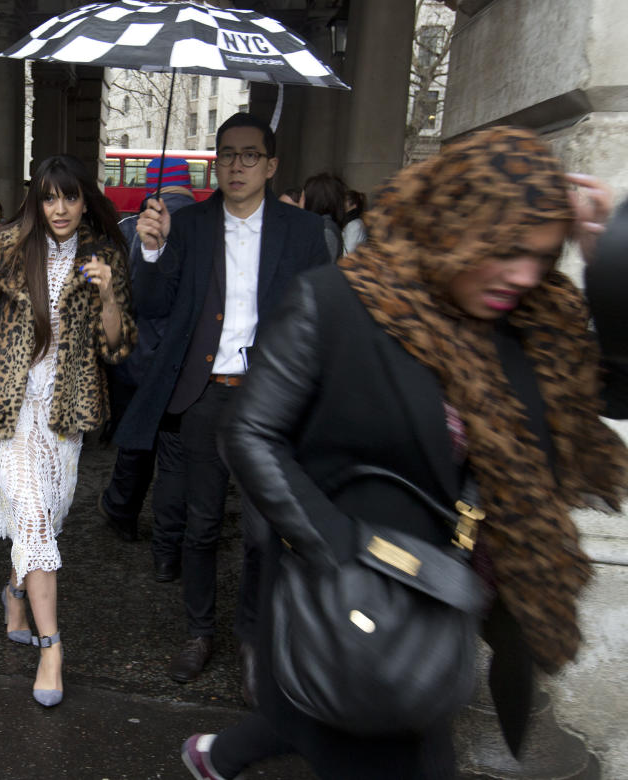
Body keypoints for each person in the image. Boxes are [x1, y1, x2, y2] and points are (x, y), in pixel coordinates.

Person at [180, 127, 628, 779]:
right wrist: (339, 550)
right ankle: (224, 753)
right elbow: (250, 435)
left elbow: (606, 392)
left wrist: (608, 263)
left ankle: (219, 756)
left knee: (345, 727)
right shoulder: (336, 304)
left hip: (437, 605)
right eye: (506, 251)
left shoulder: (524, 326)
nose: (524, 274)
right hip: (342, 601)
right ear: (457, 225)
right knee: (375, 742)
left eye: (539, 256)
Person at [113, 113, 330, 697]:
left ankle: (258, 639)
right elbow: (154, 306)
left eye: (249, 155)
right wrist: (152, 251)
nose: (237, 165)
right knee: (200, 526)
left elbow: (322, 315)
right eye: (227, 154)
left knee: (266, 531)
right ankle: (199, 632)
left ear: (271, 164)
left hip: (270, 398)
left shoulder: (305, 232)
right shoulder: (190, 224)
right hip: (205, 394)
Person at [0, 154, 136, 707]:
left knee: (45, 520)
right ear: (36, 199)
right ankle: (53, 649)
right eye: (50, 197)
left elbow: (117, 348)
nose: (60, 209)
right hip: (8, 412)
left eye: (70, 197)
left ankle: (14, 592)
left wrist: (108, 295)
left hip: (64, 415)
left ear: (83, 200)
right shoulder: (2, 249)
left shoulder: (104, 256)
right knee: (33, 523)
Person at [98, 158, 194, 583]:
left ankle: (122, 510)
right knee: (176, 451)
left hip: (141, 353)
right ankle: (171, 541)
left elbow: (130, 294)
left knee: (137, 442)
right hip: (189, 355)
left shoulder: (137, 226)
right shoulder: (208, 226)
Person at [301, 172, 347, 262]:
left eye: (303, 197)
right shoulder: (318, 227)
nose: (300, 201)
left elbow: (317, 271)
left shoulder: (325, 231)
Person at [342, 188, 367, 254]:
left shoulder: (355, 225)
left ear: (354, 205)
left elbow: (348, 252)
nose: (342, 203)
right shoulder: (352, 222)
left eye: (345, 200)